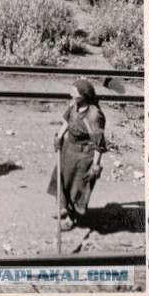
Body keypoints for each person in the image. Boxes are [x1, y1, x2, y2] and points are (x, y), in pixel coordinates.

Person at [48, 79, 106, 231]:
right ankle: (63, 207)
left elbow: (99, 144)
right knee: (62, 180)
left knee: (77, 187)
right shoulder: (73, 105)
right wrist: (59, 136)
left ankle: (72, 218)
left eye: (75, 91)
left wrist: (95, 165)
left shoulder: (94, 116)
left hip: (84, 156)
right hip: (68, 149)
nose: (71, 93)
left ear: (84, 95)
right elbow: (67, 121)